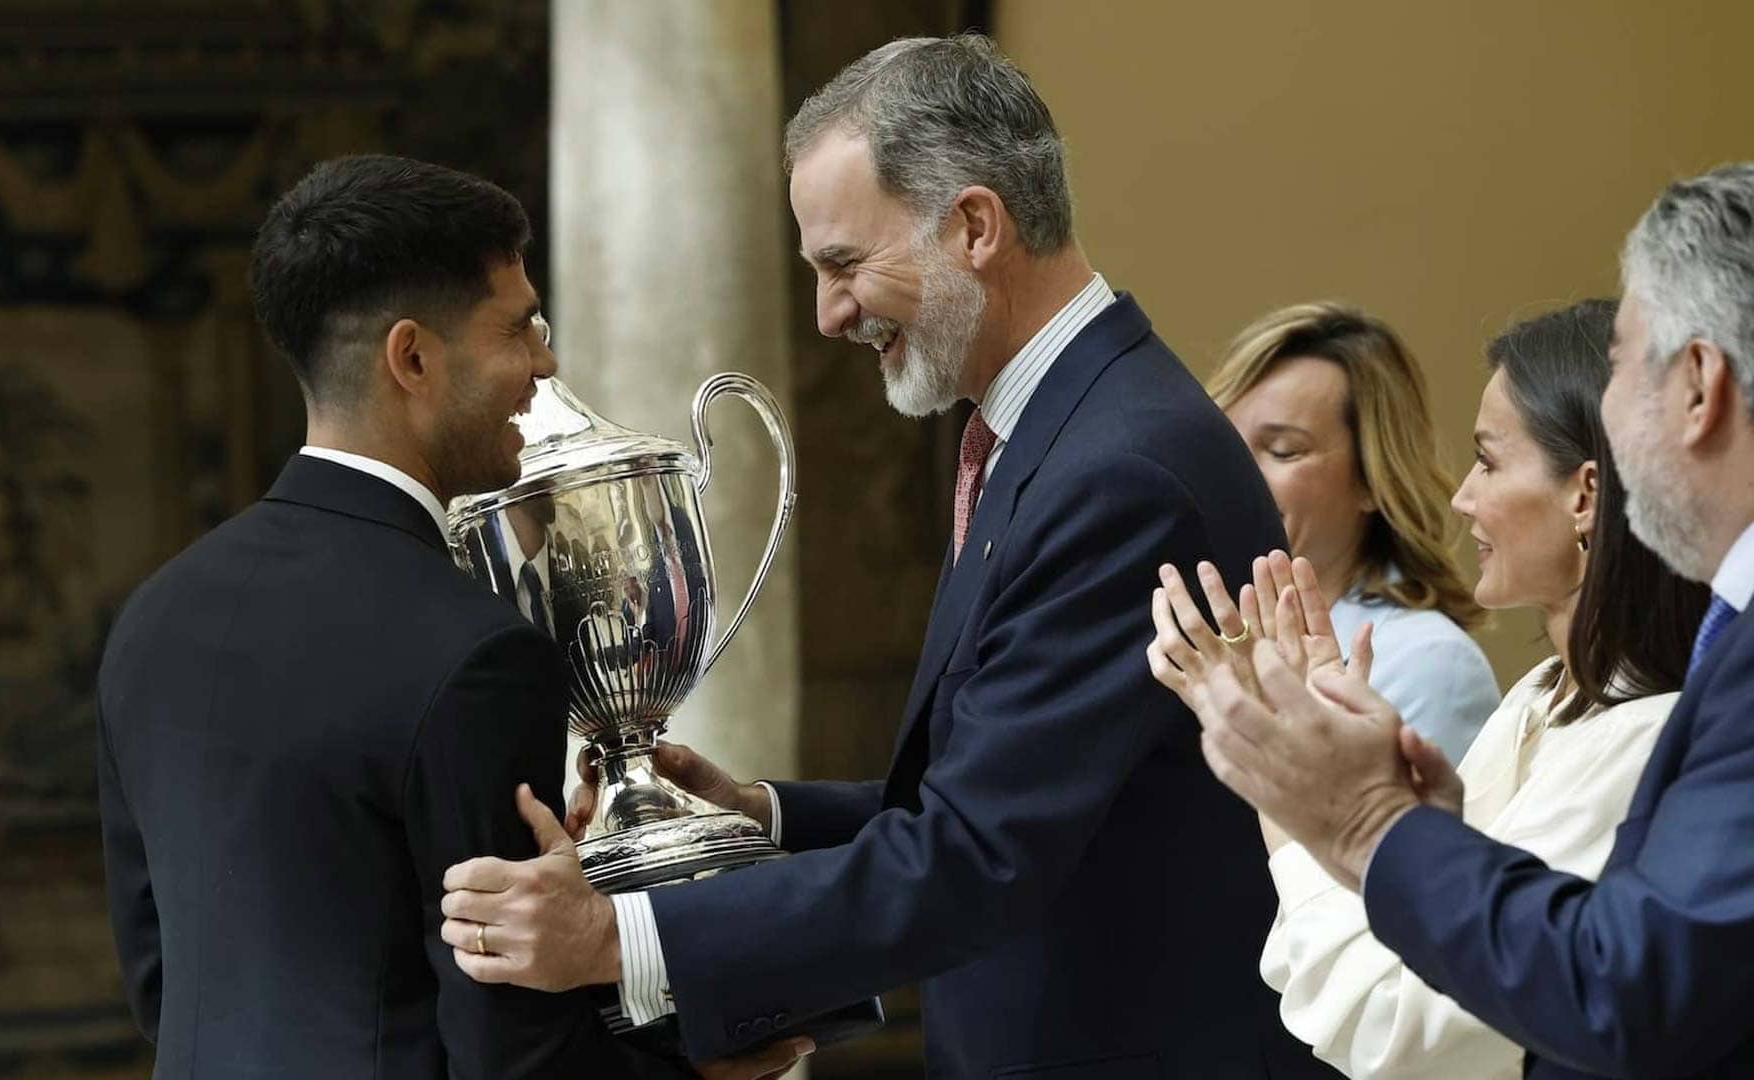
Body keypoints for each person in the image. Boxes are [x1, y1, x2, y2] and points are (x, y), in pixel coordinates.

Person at [431, 34, 1338, 1078]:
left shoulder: (1117, 471)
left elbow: (977, 857)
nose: (827, 316)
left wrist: (618, 939)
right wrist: (767, 818)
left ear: (974, 226)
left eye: (844, 264)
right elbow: (1020, 795)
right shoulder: (1056, 432)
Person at [96, 154, 796, 1079]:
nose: (544, 364)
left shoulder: (149, 622)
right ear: (413, 357)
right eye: (519, 328)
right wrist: (693, 1071)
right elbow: (513, 1055)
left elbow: (162, 984)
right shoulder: (479, 654)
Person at [1178, 163, 1754, 1078]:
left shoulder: (1657, 720)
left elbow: (1413, 1024)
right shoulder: (1538, 696)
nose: (1460, 494)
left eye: (1488, 461)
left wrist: (1327, 810)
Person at [1209, 302, 1499, 762]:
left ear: (1371, 479)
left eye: (1283, 451)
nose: (1235, 475)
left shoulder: (1429, 663)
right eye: (1222, 444)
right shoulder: (1193, 635)